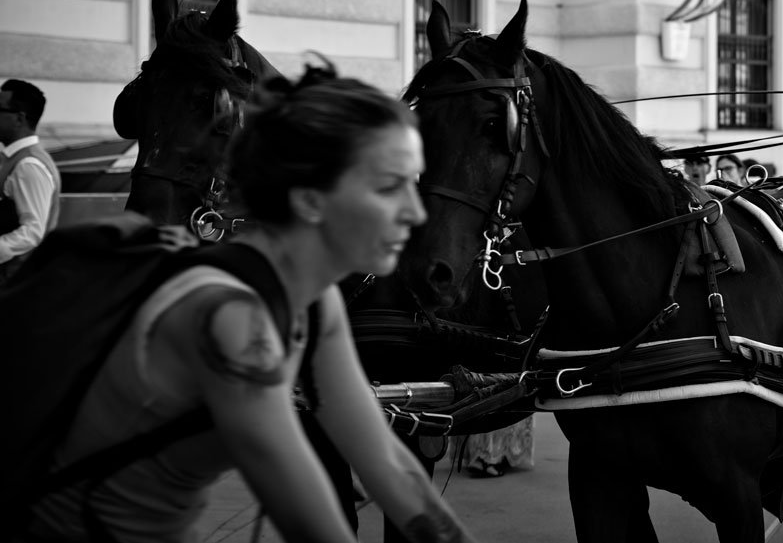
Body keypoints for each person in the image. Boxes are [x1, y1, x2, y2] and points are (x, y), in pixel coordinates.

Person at [18, 65, 479, 543]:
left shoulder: (313, 301)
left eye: (414, 182)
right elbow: (314, 526)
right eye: (388, 186)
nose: (417, 210)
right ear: (310, 199)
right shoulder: (234, 321)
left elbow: (388, 465)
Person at [0, 79, 61, 282]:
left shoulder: (28, 165)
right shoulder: (16, 159)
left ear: (19, 118)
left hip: (14, 281)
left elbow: (33, 232)